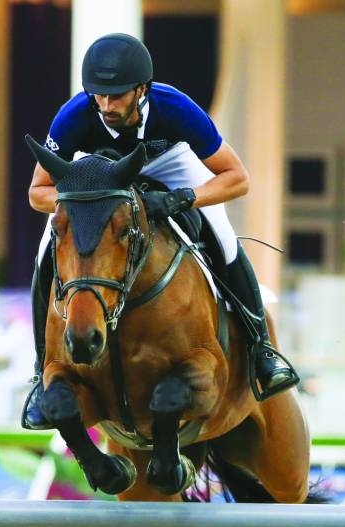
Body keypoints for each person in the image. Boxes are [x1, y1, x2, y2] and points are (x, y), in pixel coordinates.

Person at [21, 32, 298, 430]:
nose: (106, 106)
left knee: (223, 236)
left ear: (142, 90)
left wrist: (184, 199)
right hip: (101, 181)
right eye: (99, 96)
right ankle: (40, 370)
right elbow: (37, 192)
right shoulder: (73, 117)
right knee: (45, 248)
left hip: (171, 168)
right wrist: (82, 203)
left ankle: (262, 352)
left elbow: (237, 178)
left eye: (117, 96)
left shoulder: (176, 108)